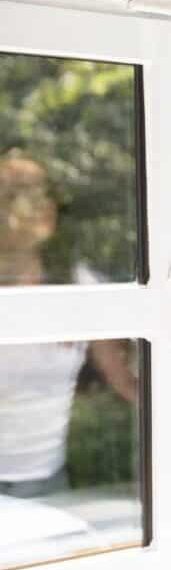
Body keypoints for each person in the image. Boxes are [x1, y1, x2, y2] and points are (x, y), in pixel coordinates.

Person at [0, 153, 137, 499]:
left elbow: (126, 382)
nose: (17, 208)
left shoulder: (77, 288)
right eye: (8, 195)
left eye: (32, 194)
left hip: (47, 484)